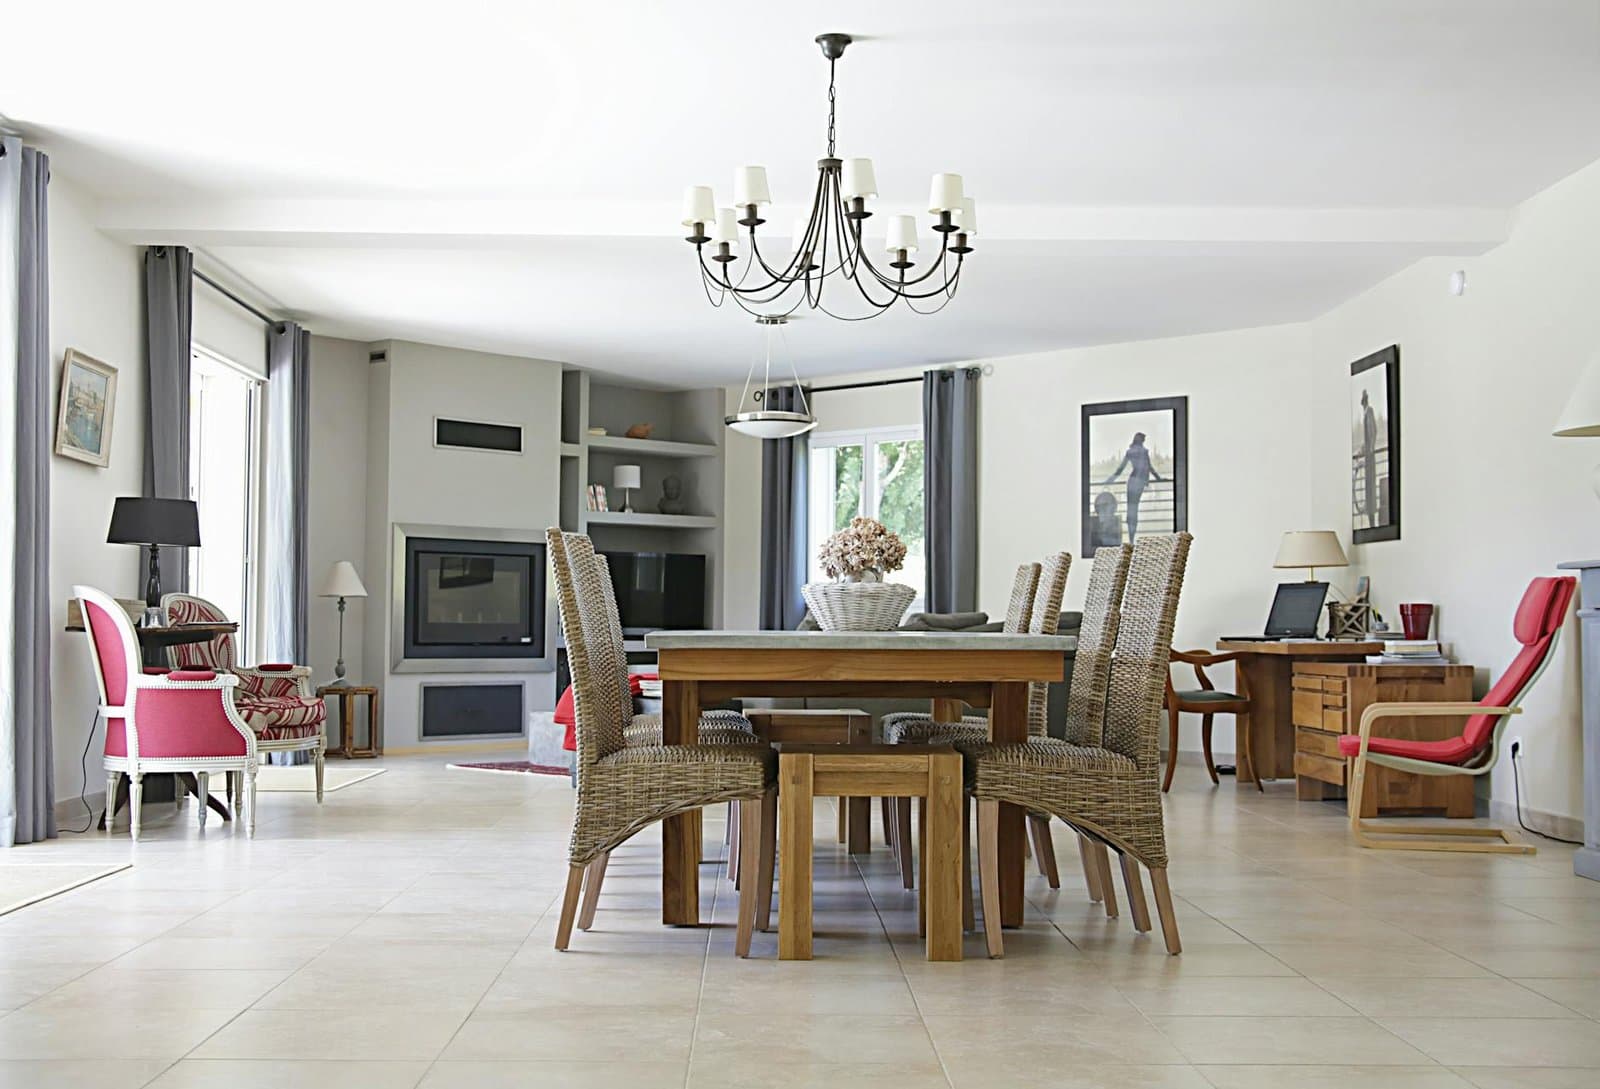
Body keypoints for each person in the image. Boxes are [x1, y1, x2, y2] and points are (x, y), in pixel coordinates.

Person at [1102, 431, 1163, 542]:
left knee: (1131, 510)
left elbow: (1120, 470)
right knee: (1133, 510)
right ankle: (1131, 538)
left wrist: (1109, 480)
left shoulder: (1131, 452)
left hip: (1132, 482)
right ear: (1141, 440)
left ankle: (1131, 538)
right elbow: (1150, 468)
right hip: (1138, 483)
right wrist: (1159, 478)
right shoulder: (1143, 452)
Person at [1358, 390, 1378, 527]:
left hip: (1370, 456)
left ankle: (1372, 519)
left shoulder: (1369, 411)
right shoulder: (1366, 413)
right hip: (1367, 455)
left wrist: (1370, 448)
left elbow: (1372, 431)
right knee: (1368, 485)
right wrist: (1362, 450)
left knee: (1370, 485)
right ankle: (1370, 516)